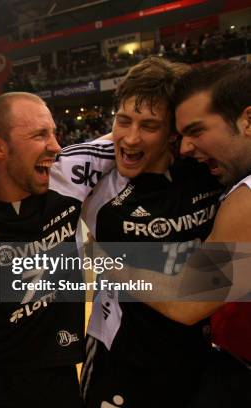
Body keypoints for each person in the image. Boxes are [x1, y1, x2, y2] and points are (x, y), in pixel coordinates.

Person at [80, 57, 224, 408]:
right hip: (121, 360)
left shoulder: (206, 168)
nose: (130, 138)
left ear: (173, 131)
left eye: (149, 126)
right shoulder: (96, 181)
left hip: (196, 353)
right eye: (123, 121)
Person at [0, 92, 115, 407]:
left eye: (53, 132)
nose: (56, 146)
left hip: (59, 371)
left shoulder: (67, 174)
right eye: (40, 135)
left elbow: (135, 135)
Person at [170, 60, 251, 407]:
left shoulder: (247, 196)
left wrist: (111, 260)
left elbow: (190, 301)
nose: (185, 148)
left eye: (196, 130)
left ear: (248, 120)